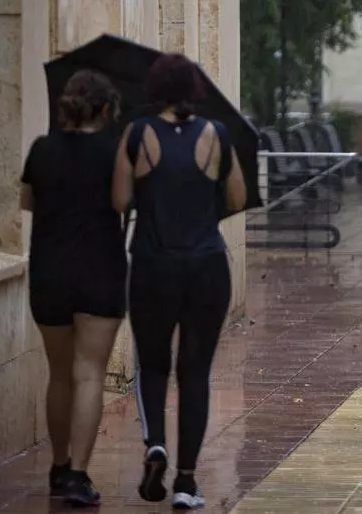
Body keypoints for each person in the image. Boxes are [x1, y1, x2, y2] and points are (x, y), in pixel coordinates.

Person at [112, 53, 246, 509]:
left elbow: (119, 200)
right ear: (194, 89)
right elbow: (237, 196)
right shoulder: (217, 135)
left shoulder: (136, 135)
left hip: (153, 264)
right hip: (207, 266)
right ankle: (186, 483)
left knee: (152, 365)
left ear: (155, 90)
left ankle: (155, 445)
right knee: (195, 372)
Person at [20, 70, 126, 507]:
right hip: (100, 271)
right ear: (105, 110)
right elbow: (122, 202)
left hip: (50, 272)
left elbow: (27, 201)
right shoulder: (113, 151)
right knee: (89, 374)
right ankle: (80, 476)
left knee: (59, 373)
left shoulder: (42, 150)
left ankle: (59, 465)